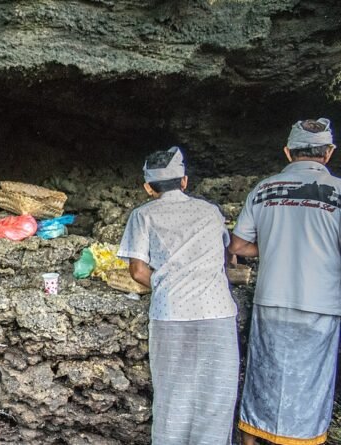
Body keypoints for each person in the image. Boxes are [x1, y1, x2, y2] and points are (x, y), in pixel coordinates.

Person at [118, 146, 239, 445]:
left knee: (173, 395)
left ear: (148, 187)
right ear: (184, 181)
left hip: (170, 314)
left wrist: (166, 285)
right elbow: (226, 257)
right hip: (217, 315)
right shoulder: (210, 211)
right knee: (216, 399)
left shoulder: (142, 215)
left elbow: (136, 270)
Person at [230, 118, 340, 445]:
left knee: (263, 379)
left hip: (271, 300)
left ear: (288, 152)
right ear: (329, 152)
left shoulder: (264, 189)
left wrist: (276, 245)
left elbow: (237, 246)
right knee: (310, 388)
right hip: (321, 304)